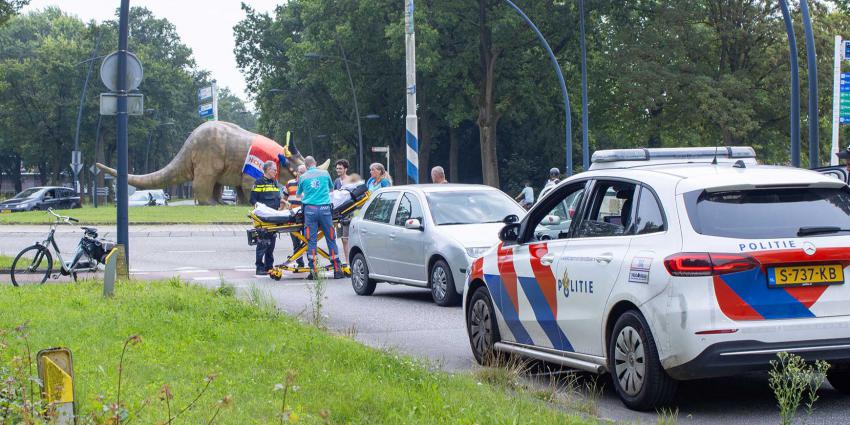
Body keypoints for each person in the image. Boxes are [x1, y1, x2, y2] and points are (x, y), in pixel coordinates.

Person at [297, 156, 344, 279]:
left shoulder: (302, 177)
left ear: (306, 166)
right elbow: (331, 188)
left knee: (311, 241)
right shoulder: (325, 173)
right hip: (325, 210)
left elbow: (299, 194)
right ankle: (337, 270)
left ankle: (314, 271)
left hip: (310, 211)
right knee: (331, 238)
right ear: (315, 163)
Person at [250, 161, 282, 275]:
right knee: (263, 242)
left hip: (274, 217)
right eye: (274, 169)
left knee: (271, 243)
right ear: (268, 169)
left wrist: (282, 202)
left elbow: (277, 197)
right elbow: (253, 200)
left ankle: (269, 266)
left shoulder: (275, 182)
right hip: (263, 219)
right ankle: (259, 267)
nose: (276, 172)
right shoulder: (258, 182)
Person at [338, 173, 364, 264]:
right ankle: (348, 261)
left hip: (351, 216)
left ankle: (349, 261)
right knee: (345, 239)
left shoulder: (354, 191)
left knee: (346, 240)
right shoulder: (349, 190)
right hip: (347, 216)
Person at [283, 165, 305, 269]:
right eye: (300, 172)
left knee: (307, 240)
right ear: (296, 172)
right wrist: (280, 210)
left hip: (305, 216)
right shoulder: (289, 183)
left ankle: (310, 260)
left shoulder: (307, 183)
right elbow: (284, 198)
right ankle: (300, 261)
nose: (302, 174)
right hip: (292, 216)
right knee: (295, 241)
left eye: (304, 172)